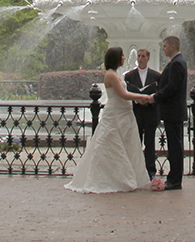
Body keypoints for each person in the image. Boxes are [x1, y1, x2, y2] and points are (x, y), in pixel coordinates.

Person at [65, 47, 153, 194]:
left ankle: (128, 176)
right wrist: (142, 97)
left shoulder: (116, 74)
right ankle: (115, 179)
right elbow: (123, 94)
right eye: (122, 55)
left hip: (124, 114)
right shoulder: (111, 75)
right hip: (115, 114)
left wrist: (138, 100)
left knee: (126, 146)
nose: (125, 58)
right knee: (111, 145)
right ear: (116, 58)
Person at [146, 34, 188, 190]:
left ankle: (175, 180)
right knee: (174, 146)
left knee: (175, 147)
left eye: (164, 46)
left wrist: (155, 98)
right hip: (173, 112)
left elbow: (172, 87)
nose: (163, 49)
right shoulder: (177, 62)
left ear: (172, 46)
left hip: (174, 112)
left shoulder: (177, 63)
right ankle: (173, 178)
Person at [124, 47, 161, 178]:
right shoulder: (129, 76)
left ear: (148, 58)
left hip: (151, 112)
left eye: (143, 56)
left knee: (150, 142)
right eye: (138, 56)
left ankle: (150, 170)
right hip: (137, 112)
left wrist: (149, 99)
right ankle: (135, 169)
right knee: (136, 141)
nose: (140, 59)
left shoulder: (156, 76)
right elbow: (126, 93)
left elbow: (160, 93)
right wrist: (137, 100)